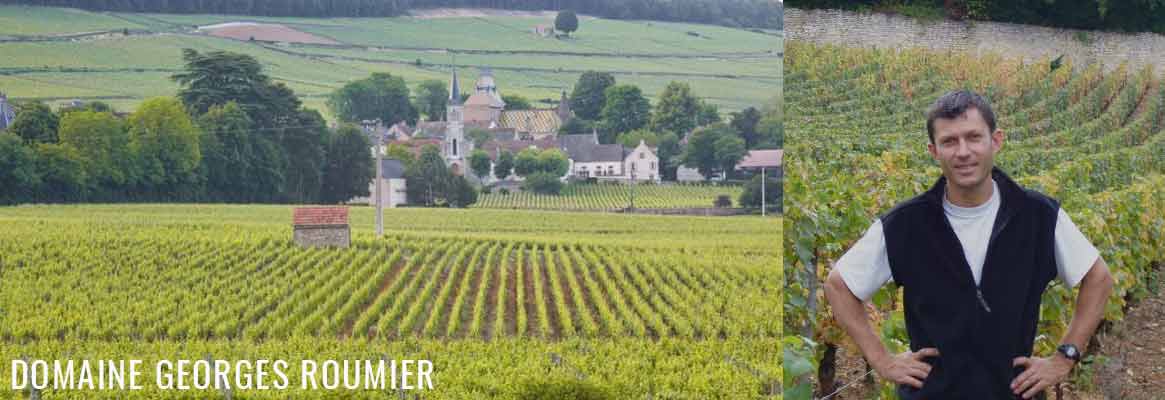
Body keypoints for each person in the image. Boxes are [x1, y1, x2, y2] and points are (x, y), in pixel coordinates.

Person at [823, 90, 1114, 399]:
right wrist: (882, 360)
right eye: (949, 141)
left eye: (974, 137)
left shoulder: (1038, 215)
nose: (963, 152)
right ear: (934, 151)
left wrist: (1066, 355)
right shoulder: (906, 224)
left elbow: (1098, 278)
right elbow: (839, 286)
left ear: (996, 141)